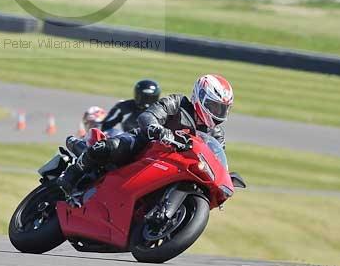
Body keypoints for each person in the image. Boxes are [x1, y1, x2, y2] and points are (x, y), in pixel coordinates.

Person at [58, 74, 234, 196]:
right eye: (214, 106)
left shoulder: (216, 133)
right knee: (110, 147)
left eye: (222, 109)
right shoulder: (178, 103)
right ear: (199, 97)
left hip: (180, 164)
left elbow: (217, 160)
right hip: (148, 144)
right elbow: (148, 115)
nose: (217, 113)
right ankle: (72, 175)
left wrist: (226, 176)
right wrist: (155, 128)